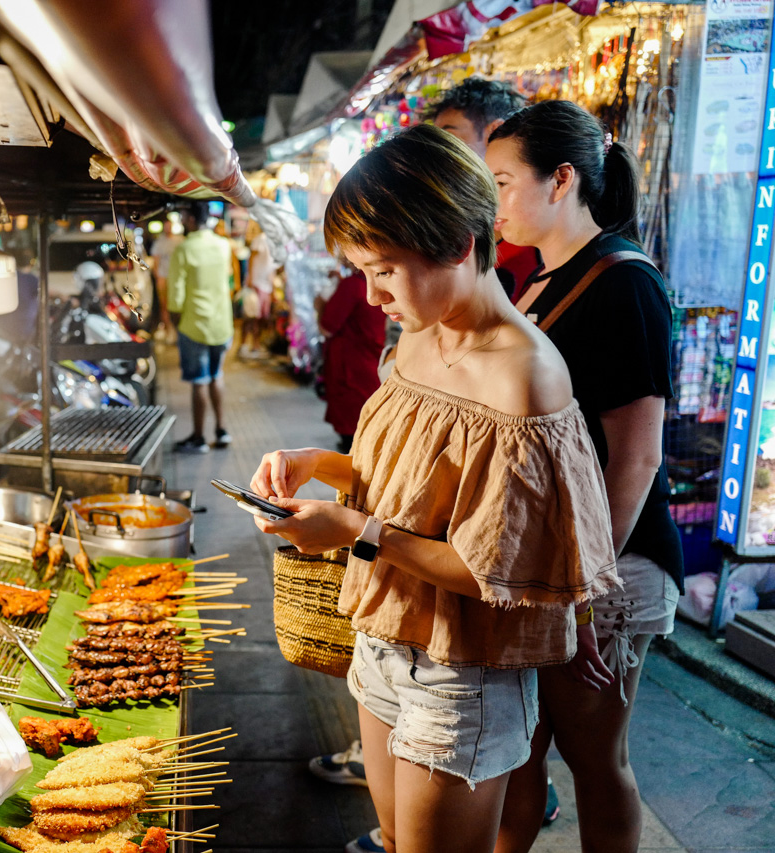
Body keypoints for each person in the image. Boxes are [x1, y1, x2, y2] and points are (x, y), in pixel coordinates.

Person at [248, 125, 619, 853]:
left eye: (383, 269)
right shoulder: (418, 331)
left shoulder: (524, 374)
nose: (371, 293)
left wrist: (354, 532)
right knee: (393, 838)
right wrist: (319, 462)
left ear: (459, 245)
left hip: (461, 671)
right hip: (383, 640)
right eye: (360, 270)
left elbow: (494, 571)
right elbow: (406, 485)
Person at [486, 100, 683, 853]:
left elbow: (636, 456)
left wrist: (589, 586)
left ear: (561, 178)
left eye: (504, 181)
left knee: (596, 759)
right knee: (521, 748)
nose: (495, 200)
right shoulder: (537, 279)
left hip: (609, 566)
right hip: (549, 564)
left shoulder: (626, 282)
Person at [424, 77, 538, 299]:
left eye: (450, 137)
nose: (438, 151)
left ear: (495, 131)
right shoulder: (455, 224)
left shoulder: (529, 232)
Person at [168, 201, 234, 453]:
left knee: (199, 381)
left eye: (184, 217)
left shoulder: (184, 249)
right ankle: (222, 429)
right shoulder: (223, 245)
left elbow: (175, 294)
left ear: (192, 220)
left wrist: (176, 324)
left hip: (194, 324)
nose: (182, 221)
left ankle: (198, 438)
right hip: (221, 324)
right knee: (217, 376)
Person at [317, 265, 385, 454]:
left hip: (350, 367)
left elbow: (327, 327)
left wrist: (320, 305)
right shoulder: (379, 281)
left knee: (352, 436)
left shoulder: (353, 285)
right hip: (370, 362)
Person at [239, 221, 277, 359]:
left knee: (260, 318)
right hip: (256, 284)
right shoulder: (260, 240)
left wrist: (272, 288)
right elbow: (252, 259)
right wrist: (249, 279)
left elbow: (271, 267)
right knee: (251, 317)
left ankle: (255, 345)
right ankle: (243, 345)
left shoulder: (272, 243)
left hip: (265, 286)